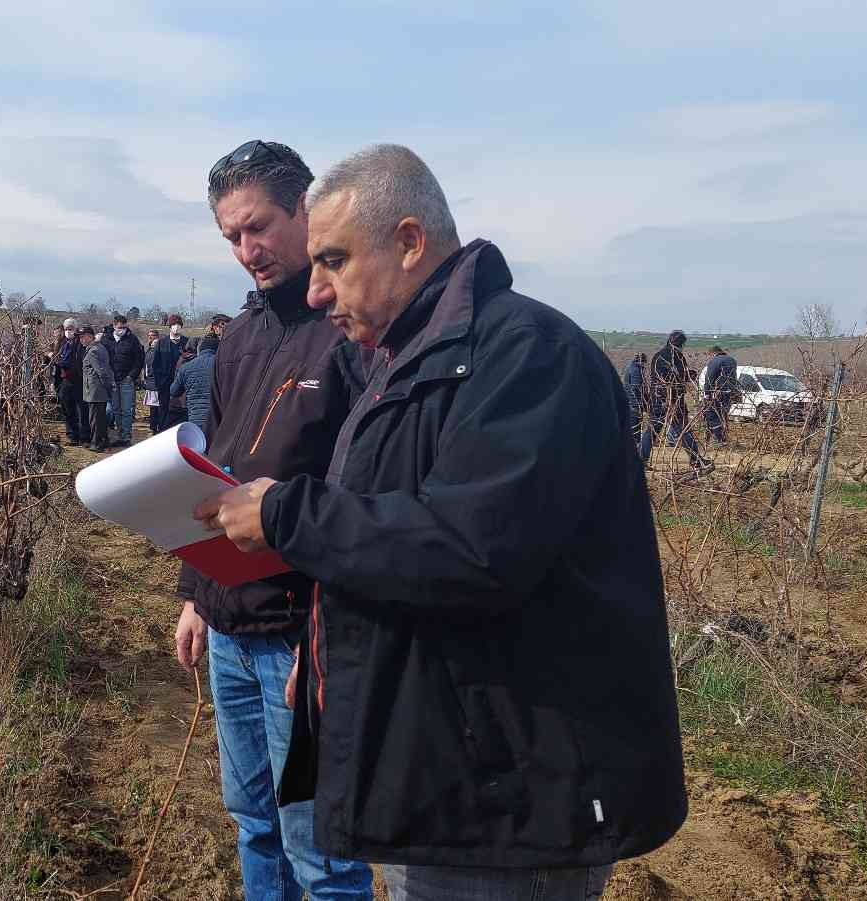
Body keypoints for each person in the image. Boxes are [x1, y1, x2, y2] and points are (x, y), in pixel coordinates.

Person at [192, 145, 687, 899]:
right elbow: (392, 535)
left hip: (515, 803)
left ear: (410, 241)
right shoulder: (412, 362)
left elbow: (468, 548)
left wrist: (286, 513)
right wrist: (328, 646)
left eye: (333, 259)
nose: (317, 291)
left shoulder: (526, 357)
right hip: (448, 775)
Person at [176, 139, 374, 900]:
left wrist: (329, 638)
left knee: (322, 851)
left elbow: (363, 495)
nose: (245, 250)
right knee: (253, 822)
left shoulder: (348, 336)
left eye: (257, 227)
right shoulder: (237, 339)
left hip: (300, 635)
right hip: (229, 629)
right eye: (230, 236)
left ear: (303, 211)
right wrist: (197, 595)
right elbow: (213, 476)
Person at [641, 330, 712, 472]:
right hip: (673, 399)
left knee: (653, 430)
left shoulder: (658, 356)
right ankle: (696, 461)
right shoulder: (678, 357)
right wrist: (690, 375)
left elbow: (660, 377)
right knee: (683, 430)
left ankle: (640, 460)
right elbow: (679, 377)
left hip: (657, 398)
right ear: (681, 343)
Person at [107, 314, 145, 445]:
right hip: (112, 379)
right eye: (119, 327)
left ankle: (126, 436)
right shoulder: (107, 339)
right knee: (115, 409)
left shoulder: (132, 340)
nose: (121, 330)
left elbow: (139, 359)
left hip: (126, 380)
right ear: (114, 326)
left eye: (123, 327)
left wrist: (131, 376)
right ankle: (119, 433)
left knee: (127, 409)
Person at [146, 315, 186, 434]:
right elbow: (155, 364)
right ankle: (162, 431)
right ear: (170, 327)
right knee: (163, 409)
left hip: (182, 384)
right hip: (164, 384)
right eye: (174, 325)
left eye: (179, 325)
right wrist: (159, 382)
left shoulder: (186, 342)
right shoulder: (161, 343)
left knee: (180, 409)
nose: (176, 327)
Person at [170, 332, 217, 433]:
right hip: (216, 418)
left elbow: (174, 391)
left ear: (200, 349)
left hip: (195, 417)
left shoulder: (186, 367)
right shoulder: (222, 365)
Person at [79, 325, 115, 451]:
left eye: (83, 337)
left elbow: (101, 371)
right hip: (99, 390)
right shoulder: (100, 348)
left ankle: (96, 443)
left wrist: (107, 386)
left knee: (95, 418)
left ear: (89, 337)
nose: (81, 340)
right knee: (100, 417)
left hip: (95, 390)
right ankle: (103, 441)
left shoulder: (93, 350)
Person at [54, 319, 88, 445]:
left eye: (71, 328)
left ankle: (84, 436)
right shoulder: (64, 343)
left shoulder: (79, 343)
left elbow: (75, 362)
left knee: (82, 409)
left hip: (78, 380)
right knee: (67, 408)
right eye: (66, 328)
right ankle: (72, 435)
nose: (68, 331)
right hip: (66, 380)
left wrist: (60, 362)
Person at [701, 345, 739, 446]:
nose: (709, 358)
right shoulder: (732, 360)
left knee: (711, 415)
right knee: (723, 416)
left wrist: (707, 393)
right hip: (729, 393)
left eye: (709, 356)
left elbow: (709, 378)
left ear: (712, 353)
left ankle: (719, 440)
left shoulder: (715, 361)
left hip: (717, 392)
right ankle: (720, 438)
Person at [623, 352, 648, 444]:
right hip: (634, 403)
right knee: (635, 427)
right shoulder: (636, 370)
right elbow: (636, 389)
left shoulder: (630, 367)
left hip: (630, 401)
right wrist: (641, 405)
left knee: (633, 426)